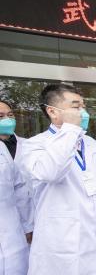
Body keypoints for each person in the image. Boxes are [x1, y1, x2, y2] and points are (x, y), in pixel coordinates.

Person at [18, 84, 96, 275]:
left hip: (95, 236)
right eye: (76, 107)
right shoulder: (34, 145)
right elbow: (51, 171)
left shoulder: (91, 144)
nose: (83, 112)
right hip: (62, 241)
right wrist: (69, 129)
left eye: (83, 106)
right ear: (52, 111)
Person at [0, 100, 33, 275]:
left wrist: (29, 226)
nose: (7, 119)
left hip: (20, 226)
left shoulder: (27, 145)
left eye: (10, 115)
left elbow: (21, 191)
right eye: (0, 116)